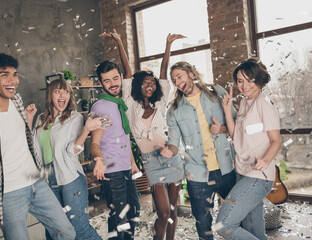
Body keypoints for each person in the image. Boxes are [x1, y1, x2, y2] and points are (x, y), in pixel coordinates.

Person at [0, 53, 76, 240]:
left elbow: (18, 136)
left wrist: (29, 119)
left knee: (67, 232)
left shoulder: (16, 100)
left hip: (36, 183)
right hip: (9, 194)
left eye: (14, 74)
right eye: (4, 75)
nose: (13, 80)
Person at [100, 29, 185, 240]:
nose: (150, 85)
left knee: (173, 211)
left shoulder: (160, 101)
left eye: (152, 83)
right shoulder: (131, 103)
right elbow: (127, 72)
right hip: (151, 161)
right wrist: (119, 40)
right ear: (139, 85)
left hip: (170, 156)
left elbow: (164, 73)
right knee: (163, 212)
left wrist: (168, 46)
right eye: (145, 82)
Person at [160, 61, 237, 240]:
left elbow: (236, 121)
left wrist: (223, 129)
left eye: (179, 76)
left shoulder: (216, 93)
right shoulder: (174, 110)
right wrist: (170, 151)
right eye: (174, 80)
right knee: (203, 222)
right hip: (197, 175)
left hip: (226, 168)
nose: (177, 82)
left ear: (191, 73)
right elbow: (173, 142)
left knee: (235, 217)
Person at [29, 79, 107, 240]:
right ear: (50, 95)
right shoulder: (41, 119)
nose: (62, 95)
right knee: (54, 231)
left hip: (71, 179)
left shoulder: (74, 118)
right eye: (57, 91)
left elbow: (73, 151)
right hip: (48, 183)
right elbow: (33, 149)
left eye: (66, 92)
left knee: (80, 230)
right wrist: (29, 120)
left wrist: (86, 130)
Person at [216, 58, 281, 239]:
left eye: (249, 80)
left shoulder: (264, 103)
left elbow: (276, 140)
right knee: (253, 228)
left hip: (258, 177)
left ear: (258, 79)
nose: (244, 85)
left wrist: (265, 160)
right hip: (243, 172)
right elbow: (236, 137)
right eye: (239, 81)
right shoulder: (245, 103)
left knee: (224, 225)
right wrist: (227, 110)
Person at [90, 59, 141, 239]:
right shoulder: (102, 107)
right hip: (112, 171)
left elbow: (124, 138)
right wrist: (100, 160)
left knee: (133, 211)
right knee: (120, 218)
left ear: (120, 77)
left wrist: (133, 163)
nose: (112, 84)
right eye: (107, 81)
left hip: (125, 168)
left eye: (115, 78)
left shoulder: (119, 103)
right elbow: (94, 143)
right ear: (100, 83)